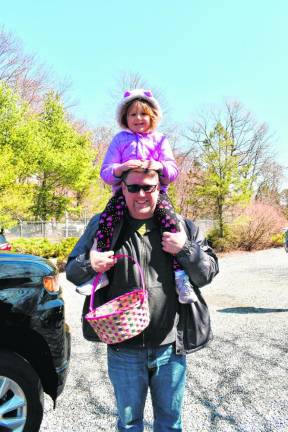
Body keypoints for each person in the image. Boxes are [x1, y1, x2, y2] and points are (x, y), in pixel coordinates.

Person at [66, 167, 219, 432]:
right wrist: (90, 264)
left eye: (148, 187)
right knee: (129, 424)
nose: (141, 194)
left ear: (159, 189)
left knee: (170, 423)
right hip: (123, 348)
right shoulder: (104, 225)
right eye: (133, 187)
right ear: (122, 189)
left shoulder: (181, 226)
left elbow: (207, 273)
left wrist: (185, 249)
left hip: (170, 347)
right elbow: (72, 271)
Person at [78, 88, 195, 303]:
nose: (138, 118)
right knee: (106, 221)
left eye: (143, 114)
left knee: (171, 224)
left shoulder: (160, 140)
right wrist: (121, 168)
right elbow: (105, 172)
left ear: (152, 117)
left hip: (155, 195)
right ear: (125, 118)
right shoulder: (120, 139)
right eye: (132, 114)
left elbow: (173, 171)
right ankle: (100, 272)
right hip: (125, 194)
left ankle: (180, 277)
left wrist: (158, 165)